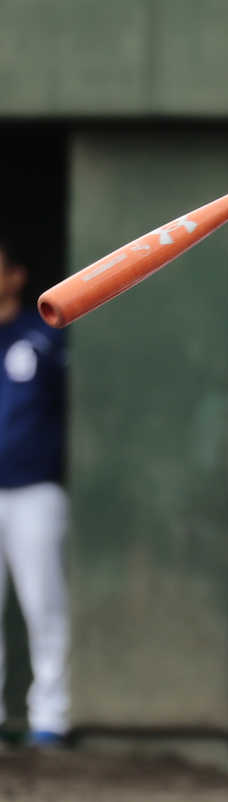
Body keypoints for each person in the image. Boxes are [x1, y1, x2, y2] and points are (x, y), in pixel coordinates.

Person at [0, 236, 70, 746]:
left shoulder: (42, 334)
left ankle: (51, 718)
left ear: (16, 276)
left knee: (43, 603)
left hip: (35, 489)